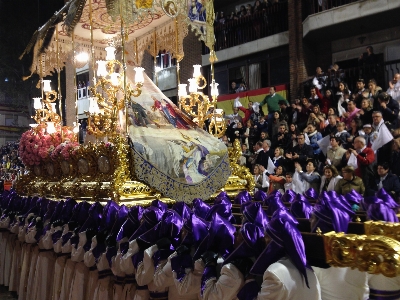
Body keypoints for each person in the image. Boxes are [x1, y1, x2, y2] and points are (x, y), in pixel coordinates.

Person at [237, 209, 322, 300]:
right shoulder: (308, 269)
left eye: (266, 236)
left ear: (273, 242)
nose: (262, 240)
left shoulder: (274, 273)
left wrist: (249, 283)